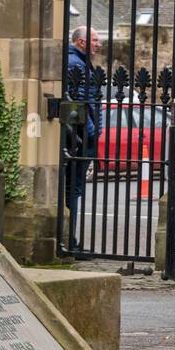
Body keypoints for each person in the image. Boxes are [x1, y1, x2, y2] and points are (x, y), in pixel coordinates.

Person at [64, 26, 102, 250]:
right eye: (95, 40)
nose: (98, 44)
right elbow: (76, 103)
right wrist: (90, 131)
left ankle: (70, 240)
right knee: (74, 187)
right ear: (81, 42)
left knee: (74, 187)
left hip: (82, 135)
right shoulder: (75, 64)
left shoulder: (78, 63)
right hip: (80, 138)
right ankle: (69, 241)